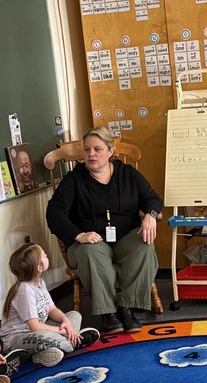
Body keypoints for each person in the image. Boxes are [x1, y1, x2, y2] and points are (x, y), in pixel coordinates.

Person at [46, 127, 163, 335]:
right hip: (91, 242)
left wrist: (150, 216)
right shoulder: (75, 179)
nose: (91, 154)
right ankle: (108, 313)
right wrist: (77, 235)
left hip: (125, 238)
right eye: (87, 149)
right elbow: (54, 213)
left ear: (110, 151)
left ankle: (126, 307)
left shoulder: (127, 174)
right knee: (91, 253)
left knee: (145, 245)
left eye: (97, 149)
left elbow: (152, 198)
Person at [0, 243, 100, 367]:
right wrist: (61, 331)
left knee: (75, 315)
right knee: (44, 336)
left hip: (38, 329)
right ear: (39, 267)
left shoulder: (40, 282)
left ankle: (42, 352)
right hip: (16, 339)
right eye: (44, 255)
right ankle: (75, 342)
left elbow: (51, 309)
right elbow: (34, 327)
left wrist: (65, 321)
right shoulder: (25, 290)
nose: (47, 255)